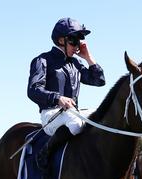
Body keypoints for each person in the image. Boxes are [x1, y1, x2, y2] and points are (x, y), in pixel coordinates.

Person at [27, 17, 106, 169]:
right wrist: (58, 98)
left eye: (79, 41)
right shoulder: (42, 60)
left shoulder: (76, 63)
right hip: (51, 115)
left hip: (72, 113)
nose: (77, 46)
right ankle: (45, 153)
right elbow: (33, 90)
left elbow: (99, 81)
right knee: (76, 123)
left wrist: (88, 58)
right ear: (61, 40)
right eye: (74, 41)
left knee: (102, 116)